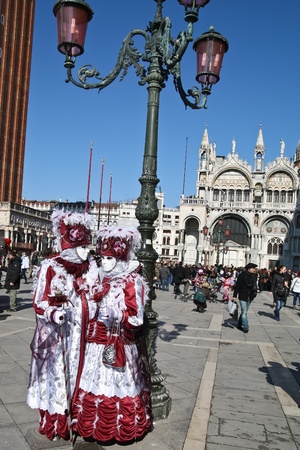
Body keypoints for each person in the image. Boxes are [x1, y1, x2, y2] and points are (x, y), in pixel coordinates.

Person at [72, 226, 152, 443]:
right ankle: (89, 425)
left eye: (110, 258)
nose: (105, 263)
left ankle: (117, 429)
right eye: (102, 258)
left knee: (116, 384)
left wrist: (117, 314)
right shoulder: (102, 279)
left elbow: (137, 318)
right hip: (96, 343)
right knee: (93, 383)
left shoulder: (131, 281)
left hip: (120, 344)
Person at [27, 209, 95, 441]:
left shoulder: (90, 268)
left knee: (82, 376)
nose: (87, 251)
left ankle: (79, 420)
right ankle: (57, 422)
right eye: (82, 246)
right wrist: (54, 313)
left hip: (82, 337)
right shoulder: (51, 266)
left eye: (88, 246)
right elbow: (39, 301)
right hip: (58, 338)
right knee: (57, 377)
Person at [232, 262, 258, 333]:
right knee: (244, 311)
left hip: (250, 296)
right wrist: (234, 296)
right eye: (253, 268)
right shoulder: (242, 275)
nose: (254, 270)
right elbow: (237, 286)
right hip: (243, 295)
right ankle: (246, 327)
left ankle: (239, 324)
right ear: (249, 269)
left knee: (245, 311)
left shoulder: (254, 276)